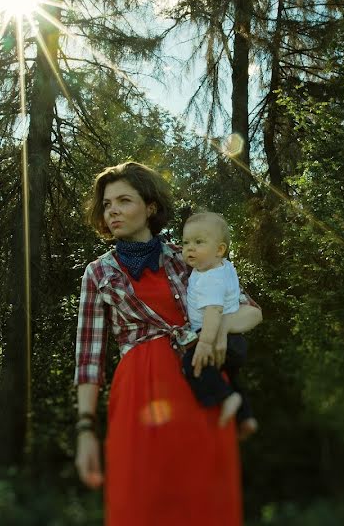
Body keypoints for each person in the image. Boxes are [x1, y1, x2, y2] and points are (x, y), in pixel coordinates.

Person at [74, 161, 262, 526]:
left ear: (151, 207)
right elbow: (88, 360)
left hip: (200, 387)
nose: (112, 210)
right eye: (107, 203)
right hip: (136, 394)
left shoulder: (187, 256)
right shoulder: (98, 273)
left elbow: (251, 311)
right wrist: (85, 429)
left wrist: (218, 328)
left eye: (124, 200)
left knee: (205, 504)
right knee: (140, 503)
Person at [181, 211, 258, 437]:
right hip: (236, 341)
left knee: (191, 363)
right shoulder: (223, 267)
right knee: (231, 377)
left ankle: (226, 399)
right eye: (186, 243)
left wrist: (204, 342)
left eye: (198, 242)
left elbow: (214, 311)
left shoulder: (209, 279)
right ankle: (246, 416)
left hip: (213, 335)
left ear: (219, 250)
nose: (190, 248)